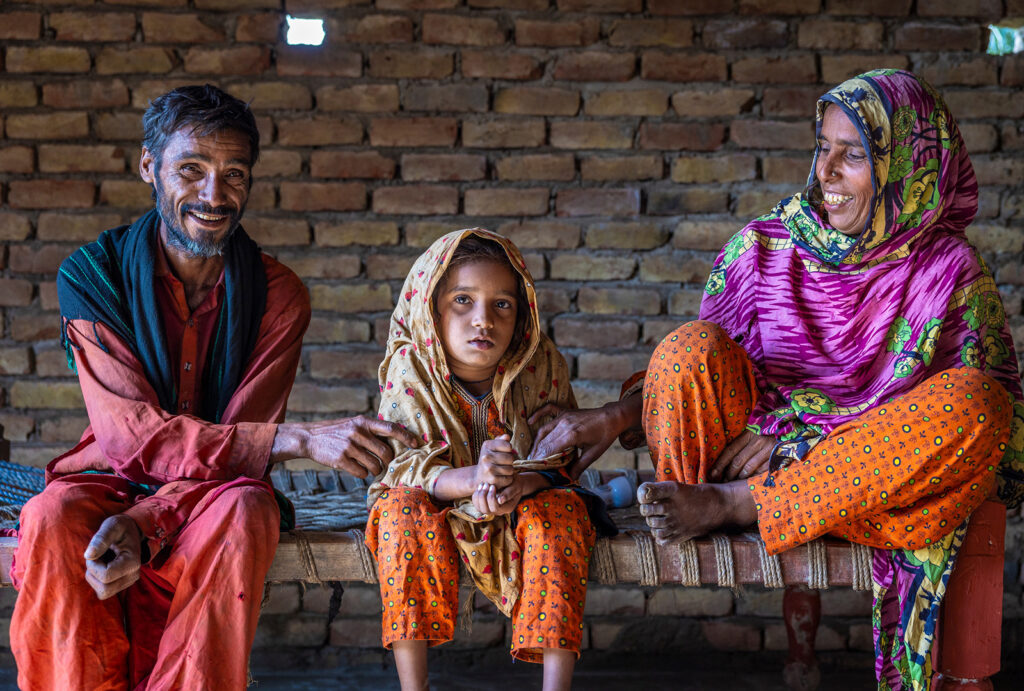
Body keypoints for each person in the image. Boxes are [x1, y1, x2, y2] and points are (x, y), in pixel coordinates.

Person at [531, 70, 1024, 688]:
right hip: (736, 462)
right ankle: (735, 498)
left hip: (867, 492)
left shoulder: (950, 270)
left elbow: (974, 433)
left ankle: (736, 507)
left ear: (909, 167)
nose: (826, 172)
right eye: (823, 147)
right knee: (689, 347)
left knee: (978, 403)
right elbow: (700, 376)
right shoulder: (764, 247)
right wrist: (612, 416)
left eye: (855, 154)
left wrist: (800, 438)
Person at [10, 84, 420, 690]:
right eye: (191, 170)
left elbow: (240, 464)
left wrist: (147, 524)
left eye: (233, 174)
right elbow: (129, 441)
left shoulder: (278, 296)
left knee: (248, 508)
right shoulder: (92, 275)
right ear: (149, 167)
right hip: (109, 477)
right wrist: (298, 438)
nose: (213, 195)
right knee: (51, 515)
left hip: (214, 497)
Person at [365, 229, 613, 691]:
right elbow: (398, 468)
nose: (484, 320)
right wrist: (470, 479)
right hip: (434, 500)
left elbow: (560, 459)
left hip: (521, 506)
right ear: (431, 311)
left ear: (521, 316)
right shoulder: (411, 369)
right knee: (400, 514)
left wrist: (525, 483)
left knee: (560, 515)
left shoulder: (540, 364)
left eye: (502, 304)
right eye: (463, 300)